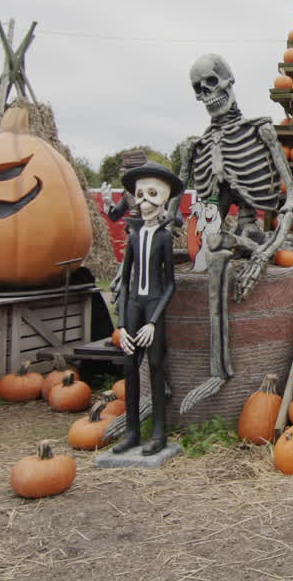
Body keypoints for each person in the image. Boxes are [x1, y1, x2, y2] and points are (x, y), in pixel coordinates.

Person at [112, 161, 183, 456]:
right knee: (129, 366)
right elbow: (125, 280)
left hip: (153, 305)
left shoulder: (165, 237)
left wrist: (153, 321)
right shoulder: (132, 237)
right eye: (139, 194)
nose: (144, 202)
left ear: (163, 199)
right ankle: (131, 432)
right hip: (133, 305)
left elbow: (170, 284)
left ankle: (158, 433)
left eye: (152, 194)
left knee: (155, 366)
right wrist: (122, 325)